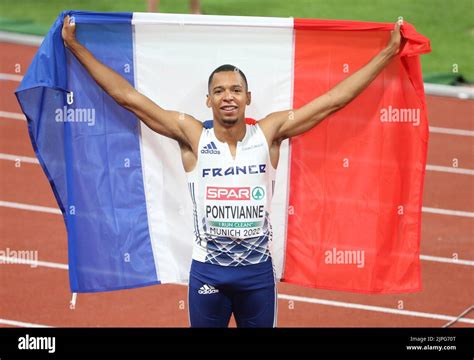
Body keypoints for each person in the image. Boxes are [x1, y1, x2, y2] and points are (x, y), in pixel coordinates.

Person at [61, 15, 403, 327]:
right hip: (208, 275)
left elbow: (333, 101)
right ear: (208, 100)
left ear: (248, 98)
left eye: (236, 90)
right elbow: (128, 97)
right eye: (220, 91)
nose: (228, 97)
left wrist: (387, 55)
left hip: (256, 277)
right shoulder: (194, 137)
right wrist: (75, 47)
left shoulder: (268, 133)